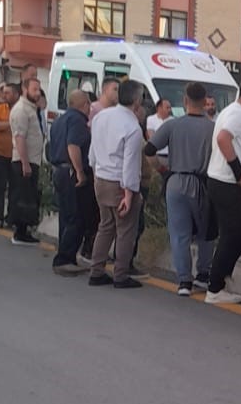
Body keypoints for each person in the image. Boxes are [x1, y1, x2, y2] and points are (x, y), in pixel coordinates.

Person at [145, 81, 214, 295]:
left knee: (179, 233)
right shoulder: (213, 127)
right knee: (206, 232)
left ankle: (184, 281)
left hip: (175, 181)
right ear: (205, 102)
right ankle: (203, 274)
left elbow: (149, 149)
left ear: (185, 101)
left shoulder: (172, 125)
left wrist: (162, 170)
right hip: (202, 183)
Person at [205, 74, 241, 306]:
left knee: (234, 234)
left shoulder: (231, 112)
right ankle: (215, 287)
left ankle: (221, 279)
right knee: (234, 235)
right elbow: (223, 139)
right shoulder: (238, 116)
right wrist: (239, 171)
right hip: (228, 183)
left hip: (222, 181)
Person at [87, 79, 145, 288]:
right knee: (126, 230)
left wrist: (96, 175)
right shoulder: (132, 127)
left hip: (101, 178)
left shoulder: (101, 116)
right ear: (137, 100)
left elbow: (92, 152)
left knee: (105, 226)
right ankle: (120, 274)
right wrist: (129, 194)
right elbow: (130, 164)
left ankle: (97, 271)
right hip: (119, 183)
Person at [48, 90, 92, 275]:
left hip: (59, 170)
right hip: (71, 171)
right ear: (85, 105)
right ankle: (64, 258)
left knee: (66, 216)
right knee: (76, 216)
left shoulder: (59, 120)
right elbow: (73, 145)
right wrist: (80, 171)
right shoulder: (77, 121)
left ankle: (66, 256)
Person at [8, 74, 46, 244]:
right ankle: (19, 232)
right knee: (22, 197)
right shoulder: (21, 110)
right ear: (24, 89)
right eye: (34, 89)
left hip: (32, 160)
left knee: (28, 197)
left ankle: (25, 231)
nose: (38, 93)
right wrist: (24, 162)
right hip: (24, 161)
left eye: (39, 90)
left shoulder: (32, 108)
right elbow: (19, 137)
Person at [0, 83, 17, 227]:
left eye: (8, 93)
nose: (5, 95)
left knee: (14, 188)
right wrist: (11, 124)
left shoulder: (20, 110)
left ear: (16, 94)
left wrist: (3, 125)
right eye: (3, 93)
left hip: (15, 155)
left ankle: (10, 218)